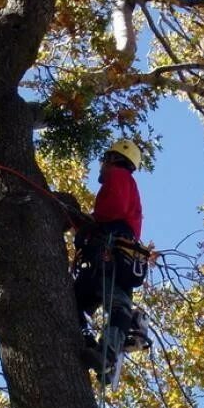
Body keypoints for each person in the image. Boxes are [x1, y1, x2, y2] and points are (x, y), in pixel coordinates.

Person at [74, 139, 147, 384]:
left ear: (114, 159)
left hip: (110, 251)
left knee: (114, 302)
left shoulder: (119, 176)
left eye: (104, 160)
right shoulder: (126, 183)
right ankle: (93, 347)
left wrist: (88, 222)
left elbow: (111, 210)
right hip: (108, 252)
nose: (102, 166)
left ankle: (107, 353)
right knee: (73, 301)